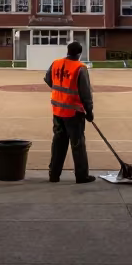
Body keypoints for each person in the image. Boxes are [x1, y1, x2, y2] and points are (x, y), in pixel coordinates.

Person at [44, 40, 95, 183]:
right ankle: (81, 175)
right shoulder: (80, 68)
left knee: (58, 143)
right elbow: (85, 93)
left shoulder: (56, 63)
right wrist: (89, 111)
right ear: (80, 54)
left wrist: (60, 92)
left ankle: (54, 175)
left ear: (67, 51)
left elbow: (48, 79)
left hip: (57, 110)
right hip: (74, 113)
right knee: (77, 144)